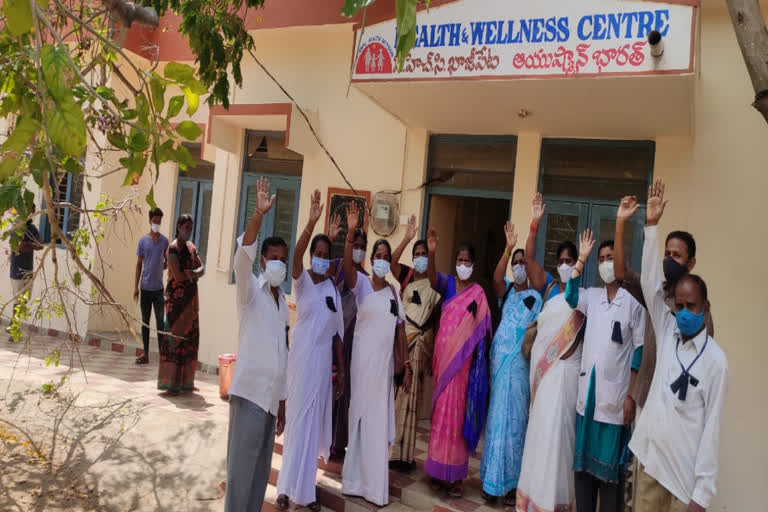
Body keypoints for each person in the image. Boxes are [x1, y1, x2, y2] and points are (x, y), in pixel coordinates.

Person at [629, 180, 728, 512]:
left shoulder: (715, 360)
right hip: (651, 463)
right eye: (680, 305)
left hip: (683, 479)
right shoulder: (667, 327)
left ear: (706, 308)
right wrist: (652, 227)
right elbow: (648, 283)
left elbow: (712, 427)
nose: (684, 313)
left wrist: (702, 494)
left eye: (692, 307)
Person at [564, 230, 646, 512]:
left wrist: (631, 396)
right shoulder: (593, 297)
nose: (606, 263)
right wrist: (582, 259)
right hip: (588, 398)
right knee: (584, 472)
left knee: (611, 476)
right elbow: (570, 296)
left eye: (610, 258)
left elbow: (639, 351)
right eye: (601, 259)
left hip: (615, 400)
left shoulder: (634, 303)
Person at [276, 190, 345, 512]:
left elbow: (338, 337)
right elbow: (296, 256)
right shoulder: (302, 281)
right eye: (316, 251)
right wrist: (312, 222)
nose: (319, 256)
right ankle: (285, 490)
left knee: (313, 426)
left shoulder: (332, 286)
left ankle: (307, 493)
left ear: (330, 259)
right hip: (301, 362)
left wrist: (341, 373)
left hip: (322, 367)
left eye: (324, 252)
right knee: (297, 425)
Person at [613, 192, 714, 410]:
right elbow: (620, 273)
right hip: (646, 395)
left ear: (691, 262)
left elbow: (703, 357)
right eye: (666, 254)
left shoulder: (699, 308)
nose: (669, 259)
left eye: (676, 255)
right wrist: (621, 222)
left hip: (677, 402)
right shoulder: (655, 293)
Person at [516, 194, 585, 512]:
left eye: (573, 260)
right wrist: (534, 222)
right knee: (541, 434)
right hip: (543, 381)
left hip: (566, 380)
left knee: (560, 439)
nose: (567, 264)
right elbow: (529, 259)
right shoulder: (548, 288)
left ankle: (556, 501)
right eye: (563, 259)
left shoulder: (584, 298)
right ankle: (534, 499)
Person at [340, 201, 412, 506]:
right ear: (371, 260)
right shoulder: (361, 286)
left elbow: (400, 330)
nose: (382, 262)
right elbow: (346, 267)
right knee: (359, 418)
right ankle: (354, 481)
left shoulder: (395, 292)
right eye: (378, 257)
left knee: (377, 422)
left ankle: (374, 487)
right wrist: (351, 233)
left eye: (386, 257)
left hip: (383, 371)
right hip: (361, 366)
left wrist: (405, 365)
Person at [225, 177, 289, 512]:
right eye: (273, 258)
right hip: (249, 395)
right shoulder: (250, 292)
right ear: (264, 262)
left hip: (269, 402)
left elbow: (284, 355)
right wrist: (258, 217)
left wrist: (282, 402)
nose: (279, 263)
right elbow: (241, 260)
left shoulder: (282, 304)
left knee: (259, 477)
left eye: (284, 258)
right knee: (240, 476)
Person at [424, 229, 492, 498]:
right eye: (459, 260)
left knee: (456, 420)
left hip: (463, 367)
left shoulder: (478, 293)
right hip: (443, 365)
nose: (462, 265)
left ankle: (455, 477)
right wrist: (431, 252)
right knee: (441, 417)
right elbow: (431, 279)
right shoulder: (449, 284)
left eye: (467, 261)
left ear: (473, 265)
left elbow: (484, 332)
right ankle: (437, 472)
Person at [481, 222, 543, 506]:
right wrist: (507, 249)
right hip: (499, 369)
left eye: (522, 262)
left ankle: (509, 486)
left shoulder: (537, 298)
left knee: (516, 426)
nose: (518, 266)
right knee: (496, 423)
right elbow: (495, 278)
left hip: (519, 372)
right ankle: (490, 483)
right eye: (515, 263)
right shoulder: (506, 291)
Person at [388, 215, 442, 472]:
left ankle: (406, 457)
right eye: (417, 253)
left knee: (414, 402)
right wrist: (407, 237)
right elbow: (391, 262)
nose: (420, 256)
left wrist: (432, 253)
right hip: (403, 346)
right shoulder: (407, 275)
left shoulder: (434, 281)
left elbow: (435, 316)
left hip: (422, 348)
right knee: (398, 396)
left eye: (424, 253)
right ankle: (391, 452)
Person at [327, 212, 368, 460]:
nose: (359, 250)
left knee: (345, 393)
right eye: (356, 246)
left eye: (363, 247)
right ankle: (322, 438)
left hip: (351, 343)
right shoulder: (337, 266)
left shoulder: (364, 278)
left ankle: (337, 443)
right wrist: (332, 239)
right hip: (330, 338)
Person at [158, 213, 204, 393]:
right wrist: (193, 274)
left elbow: (202, 268)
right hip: (176, 305)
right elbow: (177, 275)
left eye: (191, 229)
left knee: (190, 341)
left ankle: (186, 382)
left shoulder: (192, 247)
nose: (188, 232)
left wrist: (191, 273)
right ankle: (171, 383)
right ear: (178, 227)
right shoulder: (173, 249)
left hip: (191, 303)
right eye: (186, 228)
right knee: (174, 342)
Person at [134, 207, 169, 364]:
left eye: (159, 222)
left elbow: (168, 263)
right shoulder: (143, 241)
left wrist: (161, 269)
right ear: (150, 221)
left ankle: (163, 356)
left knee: (160, 323)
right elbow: (138, 265)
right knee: (145, 322)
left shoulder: (164, 242)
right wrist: (135, 287)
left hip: (158, 289)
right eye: (155, 221)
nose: (157, 224)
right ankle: (146, 354)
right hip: (145, 287)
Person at [7, 210, 42, 339]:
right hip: (17, 270)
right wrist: (30, 244)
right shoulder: (17, 226)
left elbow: (40, 245)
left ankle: (13, 324)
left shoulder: (32, 228)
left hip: (28, 270)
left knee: (24, 300)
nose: (30, 214)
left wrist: (27, 244)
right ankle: (14, 329)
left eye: (32, 212)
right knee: (18, 301)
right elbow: (18, 247)